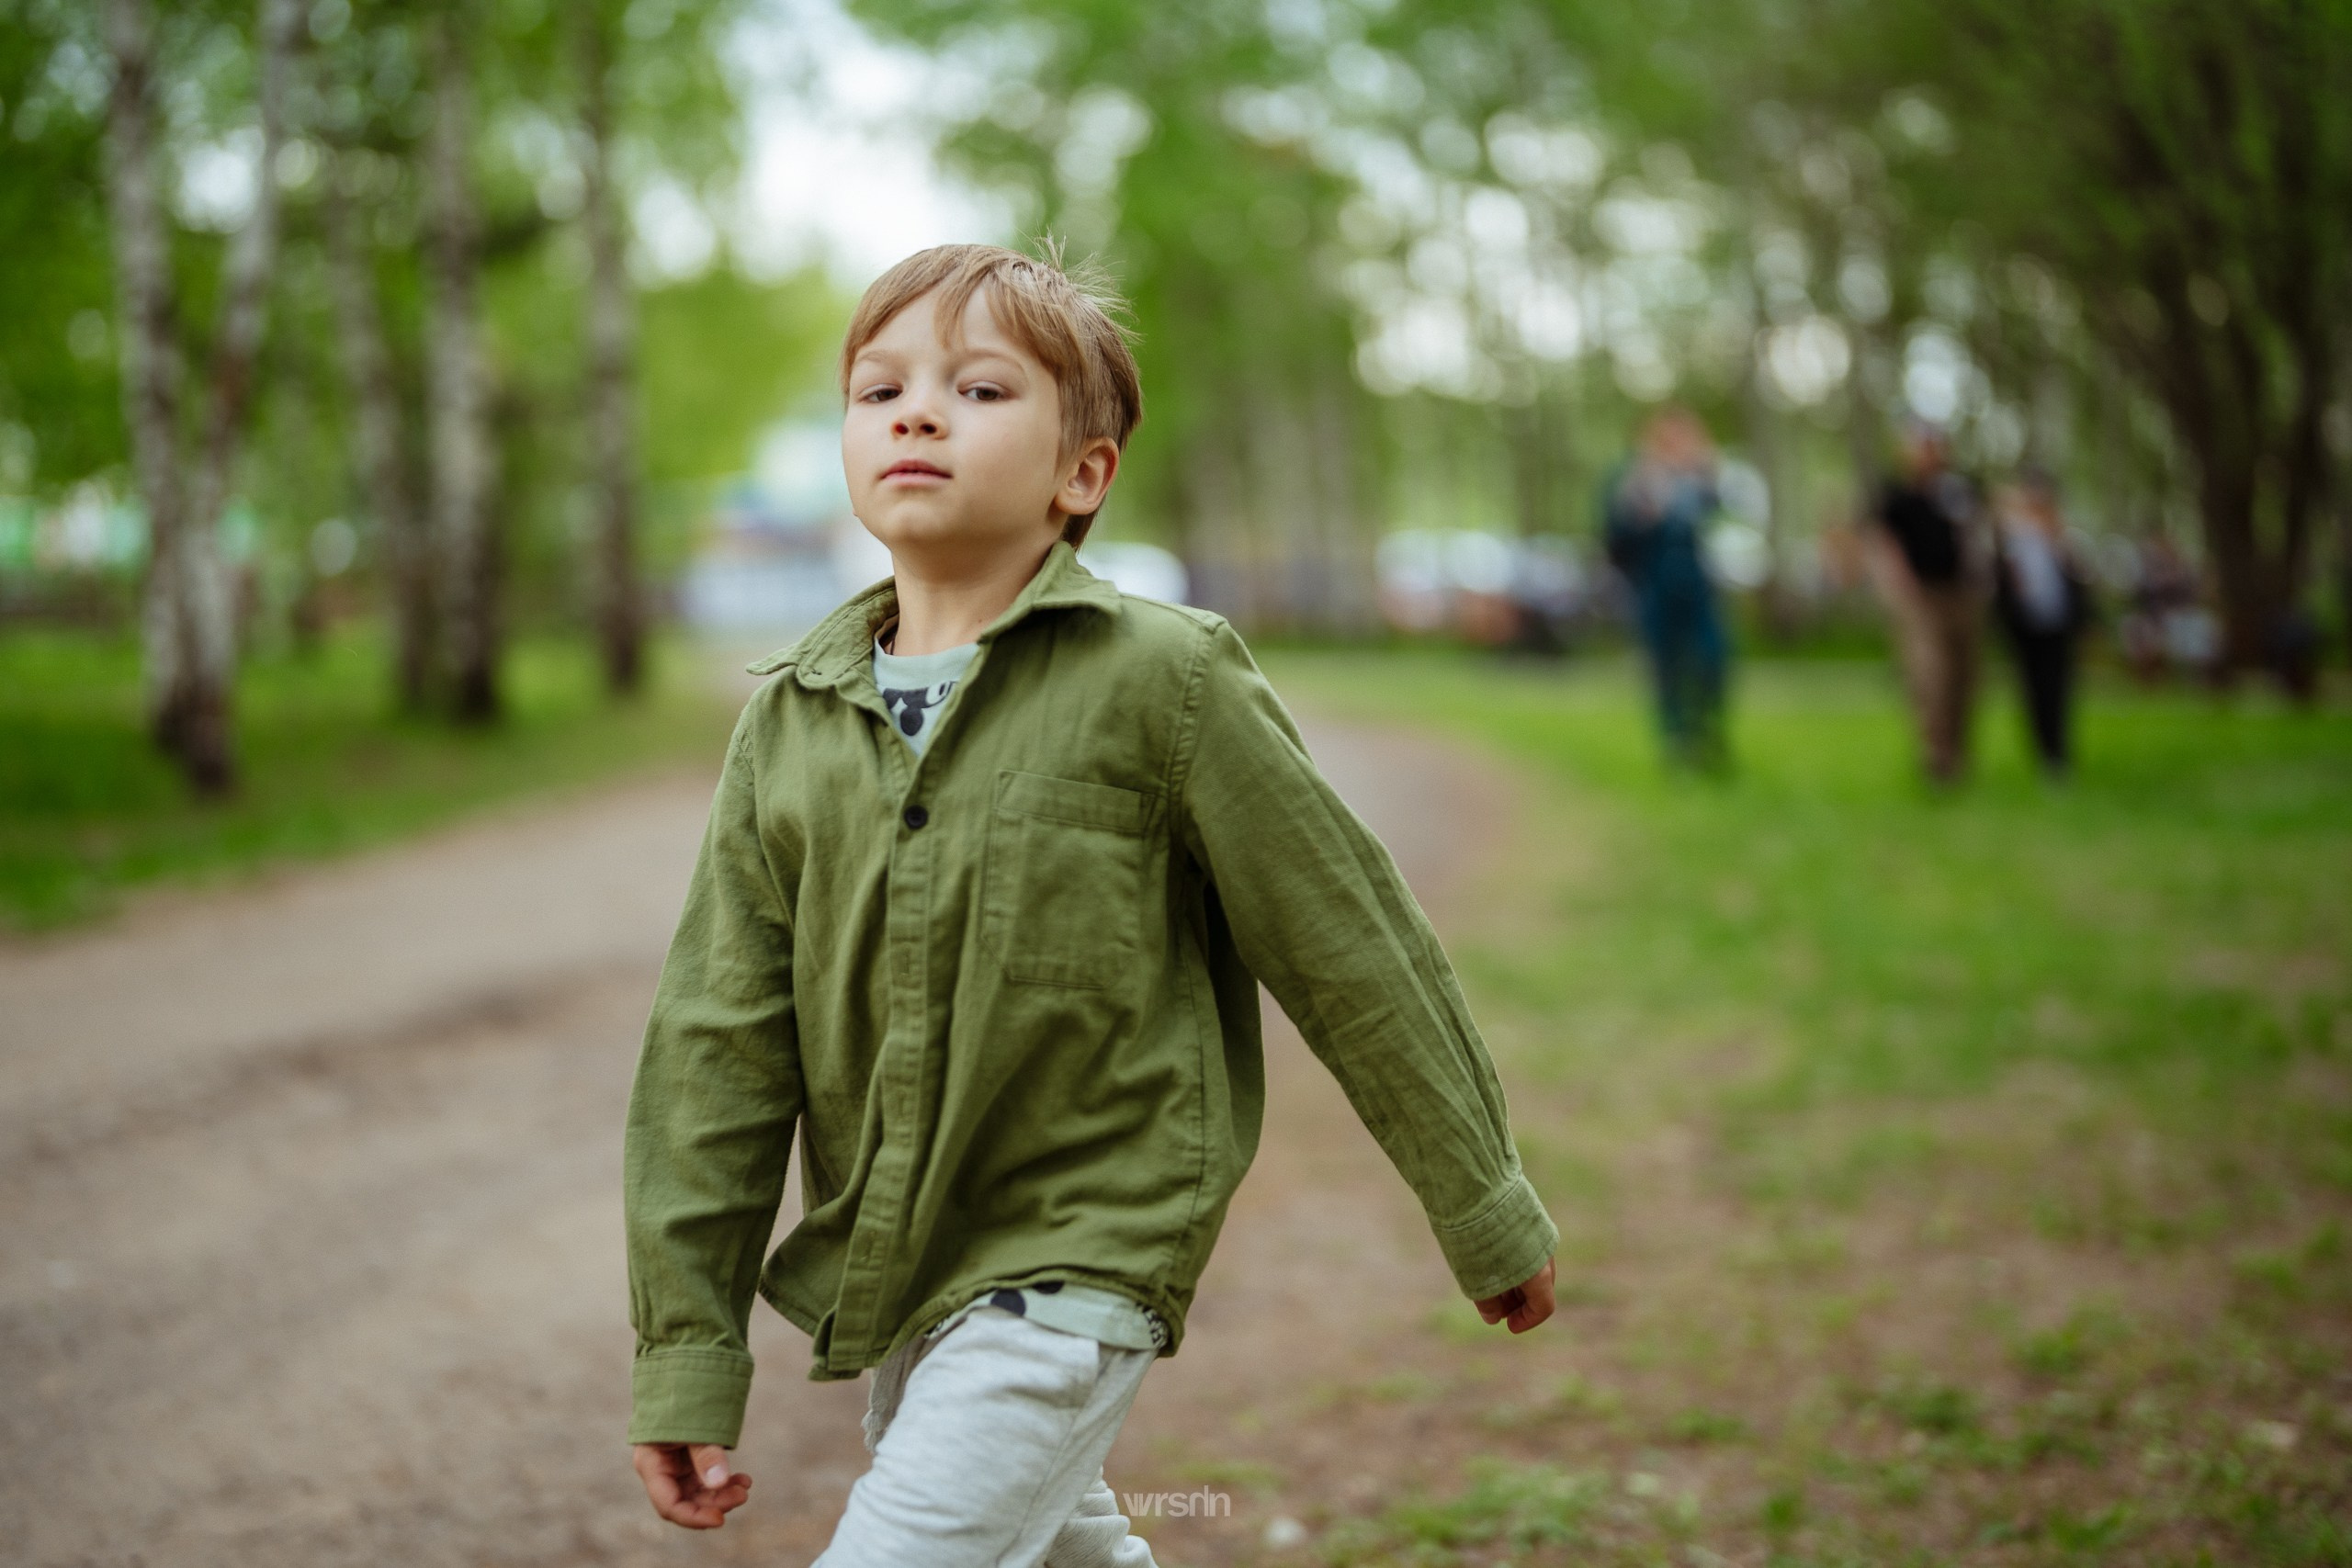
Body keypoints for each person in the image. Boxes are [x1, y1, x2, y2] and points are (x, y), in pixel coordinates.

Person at [622, 243, 1561, 1564]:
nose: (916, 411)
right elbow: (715, 1046)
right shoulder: (789, 718)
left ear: (1083, 473)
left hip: (1081, 1249)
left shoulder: (1166, 681)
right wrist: (686, 1348)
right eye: (877, 387)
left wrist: (1483, 1198)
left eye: (981, 387)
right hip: (907, 1260)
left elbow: (1351, 943)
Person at [1602, 407, 1731, 769]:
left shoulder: (1699, 478)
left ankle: (1706, 729)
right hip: (1655, 583)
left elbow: (1718, 508)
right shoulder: (1634, 481)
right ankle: (1676, 741)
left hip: (1696, 583)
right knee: (1665, 665)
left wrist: (1704, 469)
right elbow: (1616, 535)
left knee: (1712, 656)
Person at [1866, 423, 1985, 784]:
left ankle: (1959, 752)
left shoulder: (1959, 491)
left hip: (1961, 594)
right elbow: (1882, 541)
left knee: (1965, 677)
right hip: (1919, 598)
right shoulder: (1896, 494)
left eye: (1934, 446)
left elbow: (1978, 534)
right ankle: (1937, 756)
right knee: (1929, 674)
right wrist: (1896, 583)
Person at [1991, 472, 2093, 776]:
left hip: (2059, 625)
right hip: (2025, 627)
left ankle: (2059, 753)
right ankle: (2043, 752)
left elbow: (2079, 583)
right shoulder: (2010, 542)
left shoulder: (2064, 540)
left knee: (2058, 688)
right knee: (2032, 689)